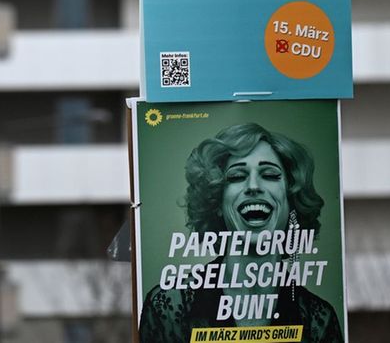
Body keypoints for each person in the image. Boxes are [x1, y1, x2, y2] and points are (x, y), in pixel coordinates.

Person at [138, 123, 343, 343]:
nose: (253, 186)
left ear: (291, 199)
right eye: (236, 176)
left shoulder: (318, 319)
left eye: (270, 174)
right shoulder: (168, 307)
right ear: (216, 200)